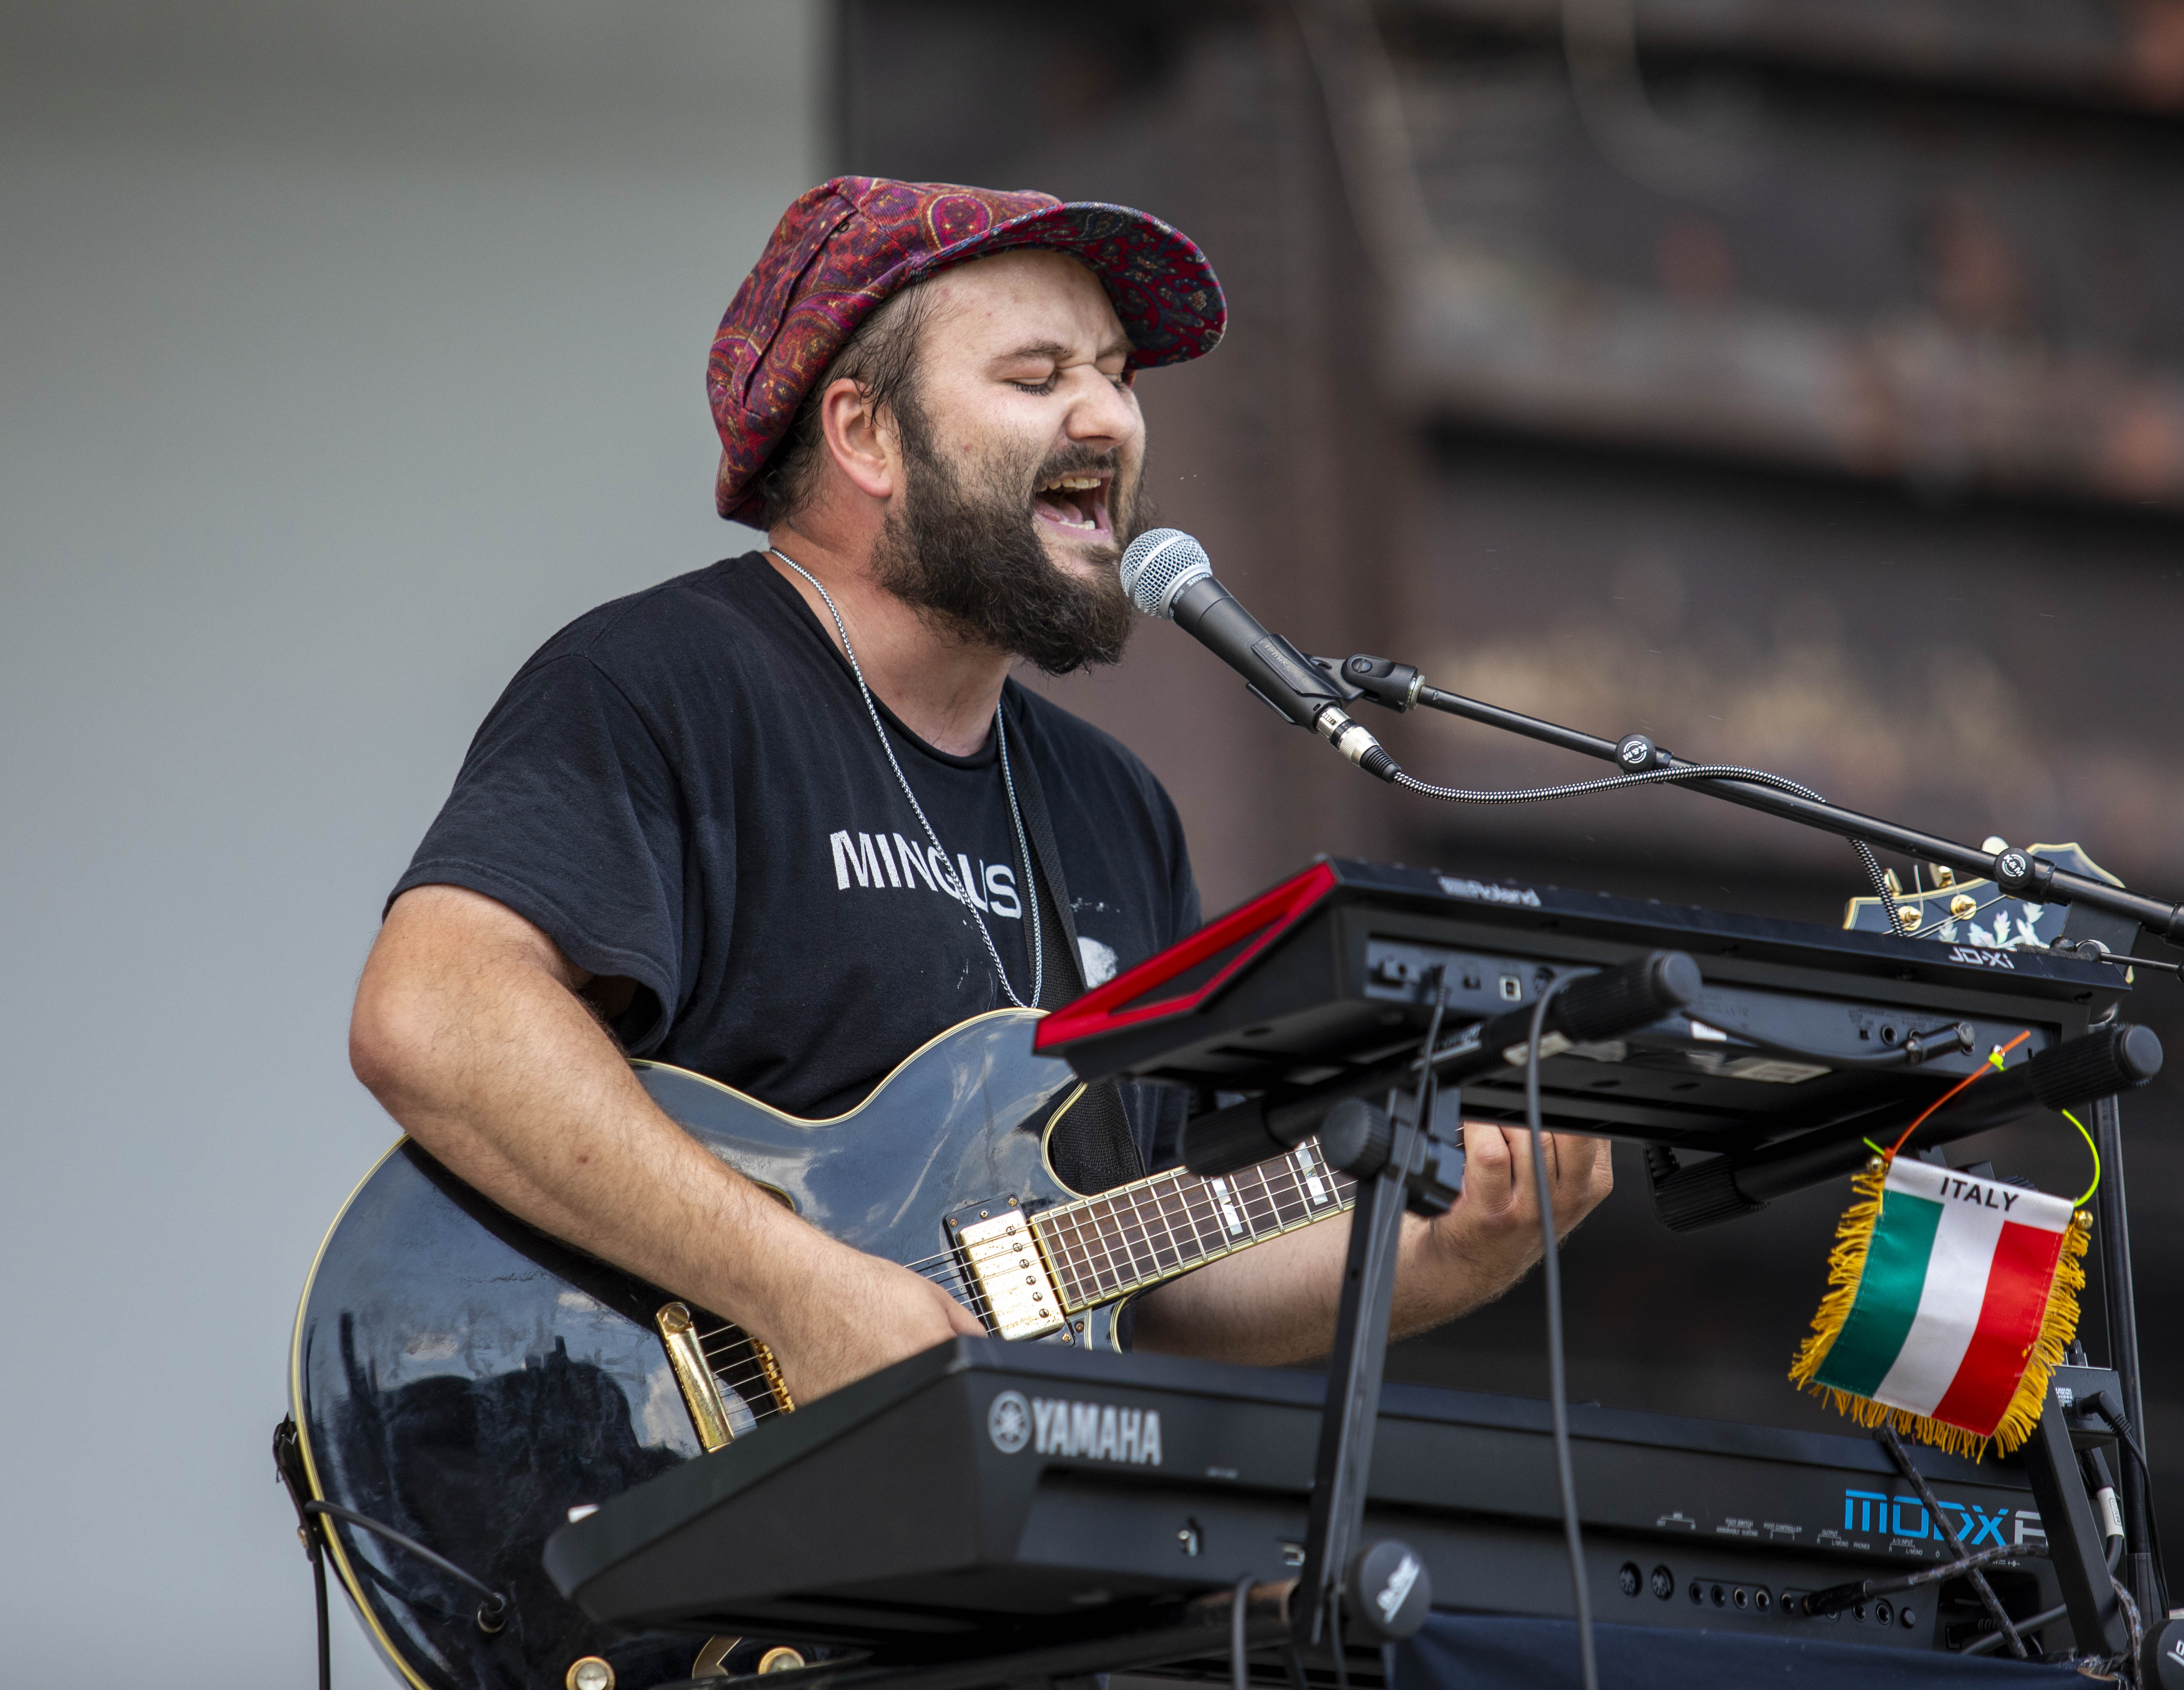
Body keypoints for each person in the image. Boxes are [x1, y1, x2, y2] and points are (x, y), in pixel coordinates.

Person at [348, 176, 1611, 1410]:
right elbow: (437, 1017)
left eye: (1116, 373)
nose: (1112, 419)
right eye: (1038, 376)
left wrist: (1443, 1256)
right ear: (865, 435)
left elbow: (1146, 1286)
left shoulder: (1111, 805)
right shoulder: (663, 685)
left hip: (992, 1559)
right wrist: (798, 1289)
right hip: (671, 1516)